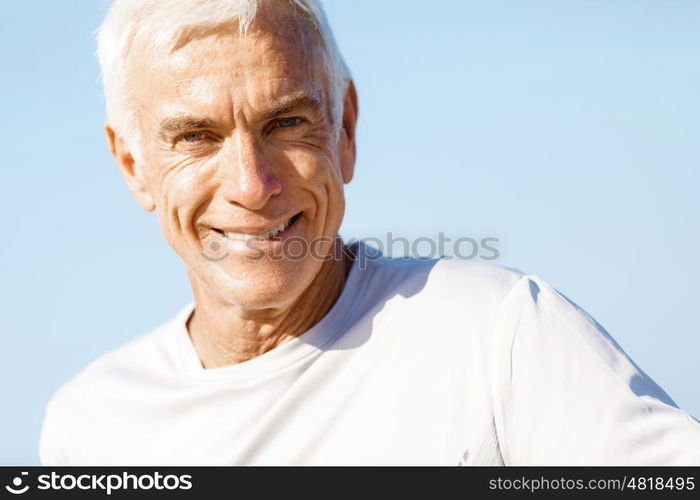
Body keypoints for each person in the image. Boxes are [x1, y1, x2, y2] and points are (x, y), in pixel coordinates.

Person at [39, 0, 700, 465]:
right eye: (195, 137)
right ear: (133, 166)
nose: (250, 183)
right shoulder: (90, 425)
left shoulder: (497, 336)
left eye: (289, 124)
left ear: (345, 128)